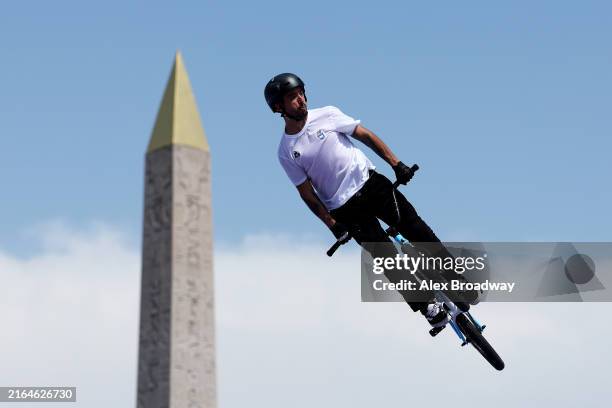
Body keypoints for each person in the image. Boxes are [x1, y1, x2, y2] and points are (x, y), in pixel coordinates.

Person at [265, 73, 475, 328]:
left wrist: (397, 164)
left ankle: (454, 278)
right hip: (344, 208)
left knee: (417, 228)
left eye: (301, 93)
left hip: (372, 184)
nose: (300, 100)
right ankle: (428, 308)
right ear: (279, 107)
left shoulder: (327, 114)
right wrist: (332, 225)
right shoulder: (286, 151)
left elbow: (364, 135)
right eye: (292, 97)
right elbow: (306, 193)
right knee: (386, 257)